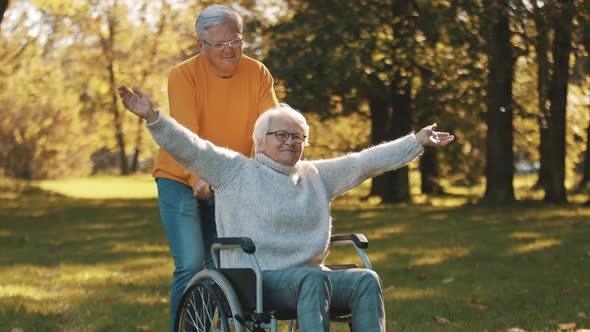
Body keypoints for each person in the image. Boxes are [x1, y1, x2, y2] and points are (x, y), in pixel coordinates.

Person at [118, 86, 453, 331]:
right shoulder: (235, 170)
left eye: (298, 137)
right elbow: (192, 149)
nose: (290, 142)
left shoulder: (316, 175)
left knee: (365, 279)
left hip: (310, 279)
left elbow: (364, 163)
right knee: (312, 280)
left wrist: (416, 141)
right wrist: (153, 117)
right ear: (260, 141)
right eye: (280, 135)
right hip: (255, 279)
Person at [152, 4, 278, 331]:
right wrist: (198, 175)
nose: (229, 50)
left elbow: (271, 128)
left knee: (220, 267)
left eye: (235, 41)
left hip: (225, 181)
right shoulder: (183, 75)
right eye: (219, 44)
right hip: (180, 177)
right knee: (192, 264)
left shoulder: (258, 73)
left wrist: (281, 169)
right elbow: (186, 133)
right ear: (201, 46)